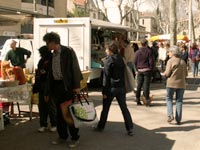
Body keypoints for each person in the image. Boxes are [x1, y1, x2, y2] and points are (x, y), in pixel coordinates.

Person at [43, 32, 83, 148]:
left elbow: (75, 68)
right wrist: (47, 91)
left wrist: (76, 86)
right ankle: (62, 136)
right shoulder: (51, 55)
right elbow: (49, 75)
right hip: (56, 87)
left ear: (54, 42)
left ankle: (75, 137)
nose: (47, 45)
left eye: (48, 43)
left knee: (69, 113)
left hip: (67, 87)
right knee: (59, 114)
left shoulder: (67, 52)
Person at [95, 41, 134, 136]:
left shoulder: (109, 61)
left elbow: (106, 77)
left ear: (110, 50)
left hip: (111, 88)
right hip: (121, 87)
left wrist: (104, 91)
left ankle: (101, 126)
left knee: (105, 108)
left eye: (106, 49)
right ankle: (130, 128)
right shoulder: (121, 58)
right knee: (124, 108)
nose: (105, 51)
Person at [33, 46, 57, 133]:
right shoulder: (42, 60)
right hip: (41, 86)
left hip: (50, 86)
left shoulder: (52, 60)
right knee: (42, 106)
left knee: (51, 106)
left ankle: (54, 124)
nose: (41, 55)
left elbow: (51, 74)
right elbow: (38, 73)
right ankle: (43, 124)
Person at [162, 46, 187, 125]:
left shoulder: (170, 61)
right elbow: (186, 74)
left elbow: (167, 73)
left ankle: (170, 115)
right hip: (181, 84)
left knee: (169, 99)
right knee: (179, 101)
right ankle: (178, 119)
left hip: (171, 83)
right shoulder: (183, 61)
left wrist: (164, 74)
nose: (168, 53)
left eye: (169, 52)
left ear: (173, 52)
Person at [134, 39, 155, 106]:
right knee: (146, 86)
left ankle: (137, 99)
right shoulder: (149, 51)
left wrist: (137, 69)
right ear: (146, 44)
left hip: (140, 70)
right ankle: (147, 100)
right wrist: (151, 69)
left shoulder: (137, 52)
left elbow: (135, 61)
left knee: (139, 85)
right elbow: (151, 62)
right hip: (147, 70)